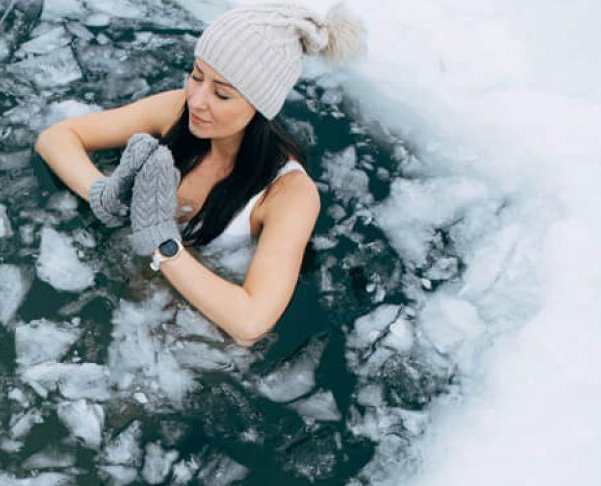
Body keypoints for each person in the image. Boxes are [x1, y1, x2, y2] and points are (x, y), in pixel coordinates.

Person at [34, 3, 364, 347]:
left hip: (187, 336)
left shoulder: (289, 194)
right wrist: (105, 194)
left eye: (222, 93)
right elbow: (56, 139)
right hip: (113, 292)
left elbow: (251, 323)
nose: (197, 100)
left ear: (259, 105)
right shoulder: (176, 110)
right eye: (196, 75)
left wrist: (163, 242)